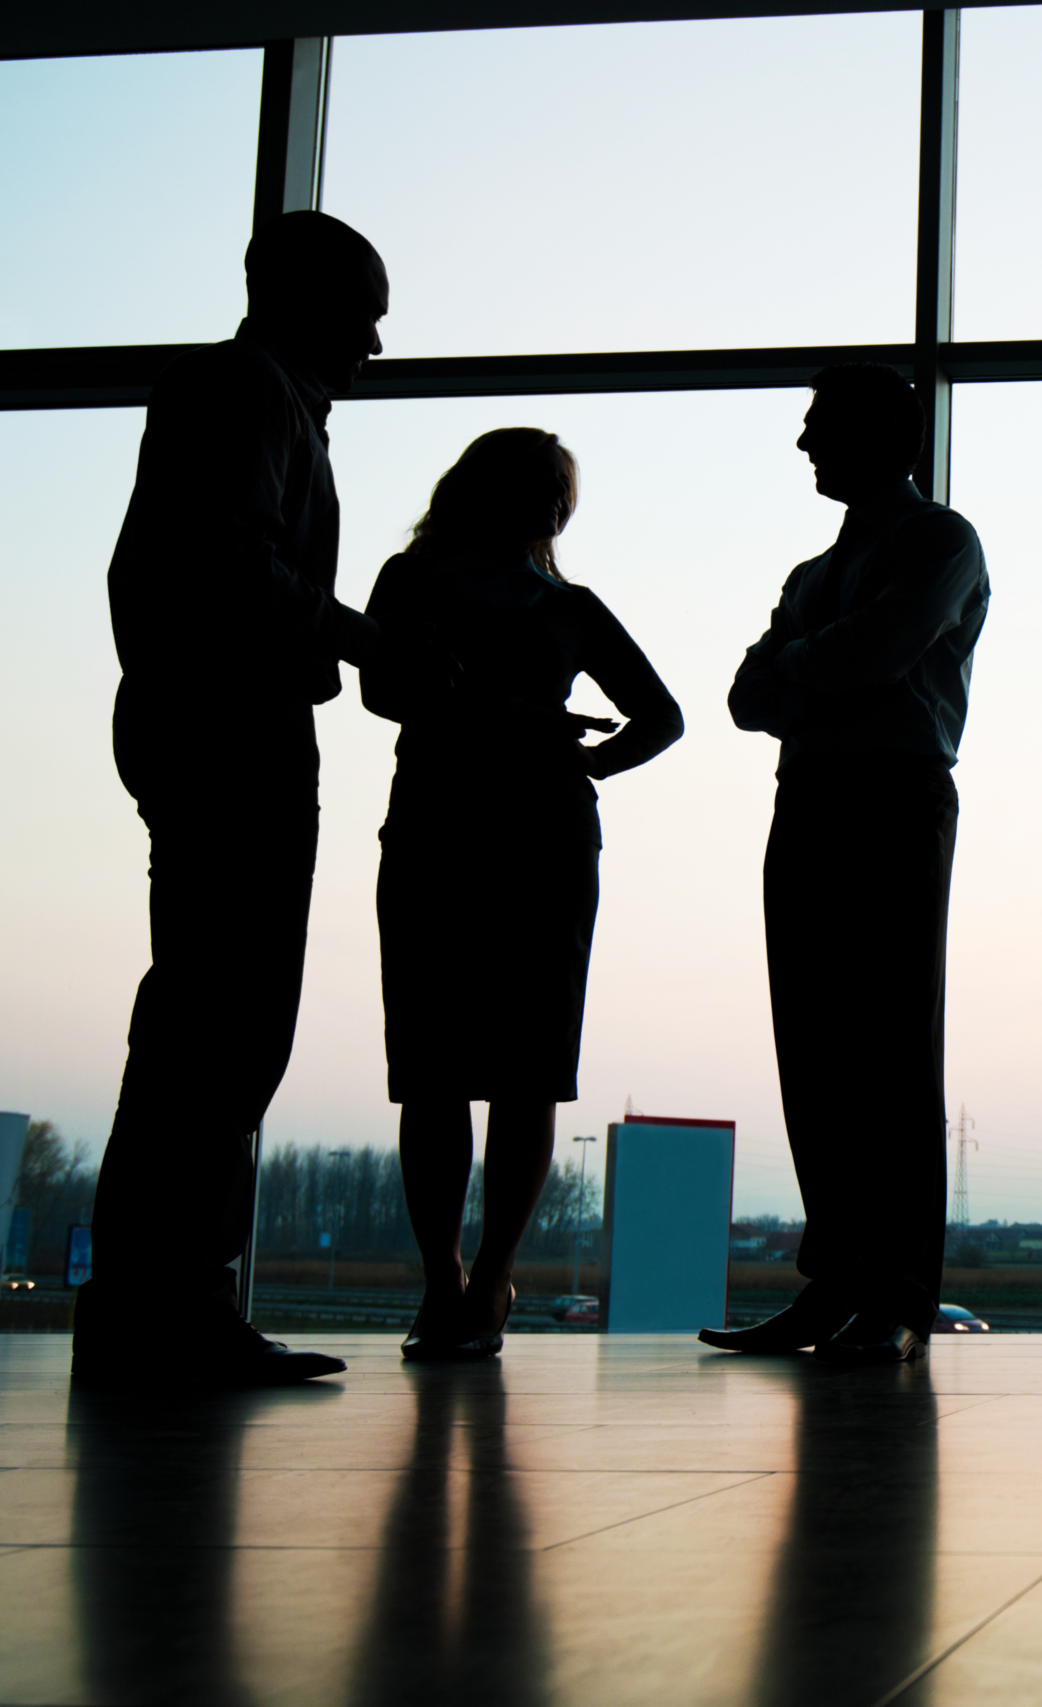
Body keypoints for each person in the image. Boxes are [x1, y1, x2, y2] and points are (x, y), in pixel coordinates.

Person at [80, 209, 436, 1387]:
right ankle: (165, 1305)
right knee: (222, 1022)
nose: (374, 349)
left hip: (208, 717)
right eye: (364, 318)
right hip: (231, 723)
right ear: (305, 301)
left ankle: (162, 1299)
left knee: (206, 1014)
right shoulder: (249, 393)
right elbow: (232, 564)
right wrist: (364, 635)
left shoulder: (249, 397)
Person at [362, 429, 682, 1360]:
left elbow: (663, 715)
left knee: (525, 1071)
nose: (553, 506)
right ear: (484, 490)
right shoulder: (412, 579)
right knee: (432, 1070)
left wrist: (588, 763)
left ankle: (490, 1271)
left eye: (561, 492)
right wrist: (527, 724)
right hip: (438, 836)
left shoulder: (570, 605)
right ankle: (444, 1276)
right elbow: (380, 688)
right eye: (540, 487)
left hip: (539, 842)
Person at [705, 364, 988, 1367]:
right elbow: (747, 697)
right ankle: (836, 1285)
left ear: (882, 436)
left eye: (819, 425)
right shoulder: (814, 572)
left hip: (892, 795)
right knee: (816, 1041)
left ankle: (894, 1292)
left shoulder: (941, 541)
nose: (804, 444)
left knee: (892, 1045)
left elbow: (866, 657)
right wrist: (813, 665)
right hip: (817, 798)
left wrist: (799, 665)